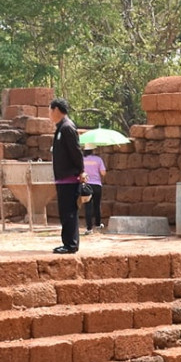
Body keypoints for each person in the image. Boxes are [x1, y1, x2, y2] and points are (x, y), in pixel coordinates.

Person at [49, 98, 83, 254]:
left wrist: (81, 171)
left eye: (50, 110)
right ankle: (67, 242)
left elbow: (76, 152)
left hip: (69, 177)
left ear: (56, 110)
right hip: (63, 178)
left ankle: (71, 244)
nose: (49, 114)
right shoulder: (61, 128)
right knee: (65, 212)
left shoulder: (67, 128)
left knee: (69, 212)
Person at [81, 149, 106, 233]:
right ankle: (98, 224)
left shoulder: (82, 160)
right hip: (97, 185)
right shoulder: (98, 159)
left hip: (86, 185)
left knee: (88, 206)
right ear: (93, 150)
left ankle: (89, 228)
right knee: (97, 205)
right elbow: (103, 173)